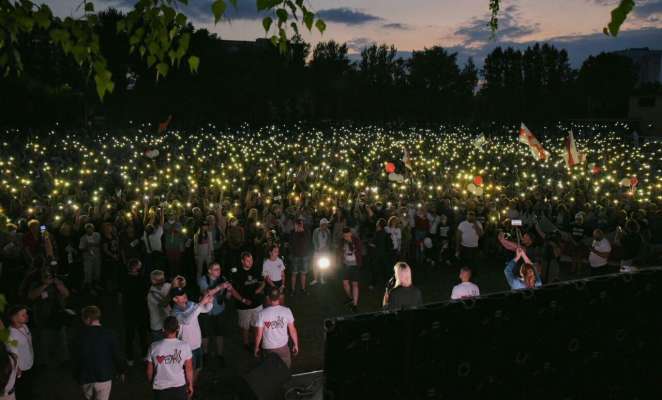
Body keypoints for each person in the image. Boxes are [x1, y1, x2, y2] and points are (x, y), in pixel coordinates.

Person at [72, 306, 126, 400]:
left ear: (87, 319)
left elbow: (75, 358)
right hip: (104, 376)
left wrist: (76, 376)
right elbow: (117, 355)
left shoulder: (79, 336)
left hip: (85, 377)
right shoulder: (110, 334)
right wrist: (121, 371)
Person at [170, 286, 217, 374]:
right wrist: (201, 302)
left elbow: (206, 309)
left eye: (184, 293)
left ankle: (195, 381)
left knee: (198, 369)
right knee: (189, 371)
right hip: (187, 347)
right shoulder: (174, 312)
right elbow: (187, 320)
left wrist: (210, 301)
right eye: (180, 295)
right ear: (175, 299)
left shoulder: (190, 304)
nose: (184, 295)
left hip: (198, 344)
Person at [146, 316, 194, 400]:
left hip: (160, 388)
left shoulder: (154, 346)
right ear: (178, 328)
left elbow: (149, 370)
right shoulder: (185, 346)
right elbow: (189, 369)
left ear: (163, 329)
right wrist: (190, 385)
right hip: (179, 386)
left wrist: (151, 382)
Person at [253, 286, 299, 369]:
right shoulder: (287, 311)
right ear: (280, 297)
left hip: (268, 348)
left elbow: (258, 334)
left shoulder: (262, 314)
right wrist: (296, 344)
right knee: (285, 368)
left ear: (268, 298)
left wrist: (256, 347)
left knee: (270, 369)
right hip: (283, 347)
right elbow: (292, 330)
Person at [197, 262, 232, 364]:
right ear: (209, 271)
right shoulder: (204, 280)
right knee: (205, 334)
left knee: (219, 333)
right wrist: (220, 287)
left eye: (219, 269)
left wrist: (229, 291)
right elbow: (206, 293)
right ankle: (205, 354)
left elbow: (227, 297)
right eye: (216, 269)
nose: (219, 271)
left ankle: (220, 355)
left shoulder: (223, 279)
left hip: (219, 311)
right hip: (206, 312)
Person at [230, 252, 265, 350]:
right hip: (243, 306)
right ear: (242, 261)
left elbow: (263, 282)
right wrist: (243, 300)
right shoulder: (237, 273)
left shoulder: (256, 270)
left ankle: (256, 342)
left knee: (256, 324)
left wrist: (258, 290)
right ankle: (246, 344)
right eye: (248, 261)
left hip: (257, 304)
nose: (250, 262)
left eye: (251, 260)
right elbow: (232, 290)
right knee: (245, 327)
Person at [122, 259, 149, 366]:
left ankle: (129, 357)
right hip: (141, 310)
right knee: (143, 334)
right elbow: (146, 295)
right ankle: (144, 355)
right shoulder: (142, 280)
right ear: (135, 268)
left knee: (129, 335)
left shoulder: (124, 279)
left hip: (129, 311)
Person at [6, 305, 33, 400]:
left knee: (29, 386)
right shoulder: (11, 334)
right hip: (20, 368)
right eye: (23, 315)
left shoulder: (25, 326)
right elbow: (12, 353)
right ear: (14, 318)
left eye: (26, 313)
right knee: (22, 390)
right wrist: (17, 369)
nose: (27, 316)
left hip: (28, 362)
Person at [338, 227, 363, 313]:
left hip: (355, 265)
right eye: (344, 236)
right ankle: (350, 298)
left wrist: (353, 247)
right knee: (345, 283)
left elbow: (360, 250)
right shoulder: (342, 241)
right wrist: (341, 254)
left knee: (355, 284)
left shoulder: (356, 240)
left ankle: (355, 304)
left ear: (350, 234)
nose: (346, 237)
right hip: (345, 265)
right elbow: (339, 251)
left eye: (347, 235)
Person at [147, 270, 172, 342]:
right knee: (159, 346)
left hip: (167, 324)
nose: (162, 281)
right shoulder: (151, 294)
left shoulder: (167, 286)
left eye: (162, 279)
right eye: (159, 280)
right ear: (153, 281)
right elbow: (164, 304)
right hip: (157, 327)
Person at [288, 218, 311, 295]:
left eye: (301, 224)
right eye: (298, 224)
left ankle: (303, 289)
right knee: (294, 273)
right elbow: (291, 243)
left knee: (303, 273)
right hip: (295, 256)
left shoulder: (306, 231)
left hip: (304, 255)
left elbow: (308, 242)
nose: (300, 225)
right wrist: (295, 232)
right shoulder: (292, 232)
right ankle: (293, 289)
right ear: (295, 225)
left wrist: (303, 232)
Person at [79, 223, 102, 293]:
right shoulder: (83, 238)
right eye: (88, 229)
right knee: (88, 273)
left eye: (91, 229)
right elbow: (81, 248)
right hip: (88, 258)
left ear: (93, 229)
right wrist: (87, 247)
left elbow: (100, 243)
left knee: (97, 272)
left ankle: (96, 285)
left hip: (97, 257)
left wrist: (93, 245)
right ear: (85, 230)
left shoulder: (97, 235)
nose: (89, 231)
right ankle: (90, 288)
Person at [310, 218, 331, 286]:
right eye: (326, 224)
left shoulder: (328, 231)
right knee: (315, 265)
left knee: (323, 265)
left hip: (325, 252)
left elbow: (329, 241)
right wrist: (317, 249)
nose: (327, 226)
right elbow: (314, 240)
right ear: (322, 225)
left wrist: (326, 248)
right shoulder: (316, 231)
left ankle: (322, 278)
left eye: (327, 224)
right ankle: (315, 279)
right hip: (317, 251)